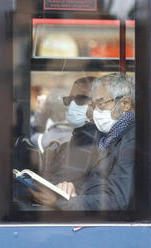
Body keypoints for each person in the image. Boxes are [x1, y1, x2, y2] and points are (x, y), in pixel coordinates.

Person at [29, 73, 136, 211]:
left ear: (125, 104)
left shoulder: (132, 140)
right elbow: (92, 181)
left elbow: (117, 200)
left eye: (101, 104)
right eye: (93, 105)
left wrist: (61, 203)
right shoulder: (107, 137)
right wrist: (70, 187)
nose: (94, 112)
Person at [40, 76, 100, 188]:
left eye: (80, 99)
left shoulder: (88, 136)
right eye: (69, 100)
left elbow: (66, 181)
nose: (72, 105)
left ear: (99, 103)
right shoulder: (80, 134)